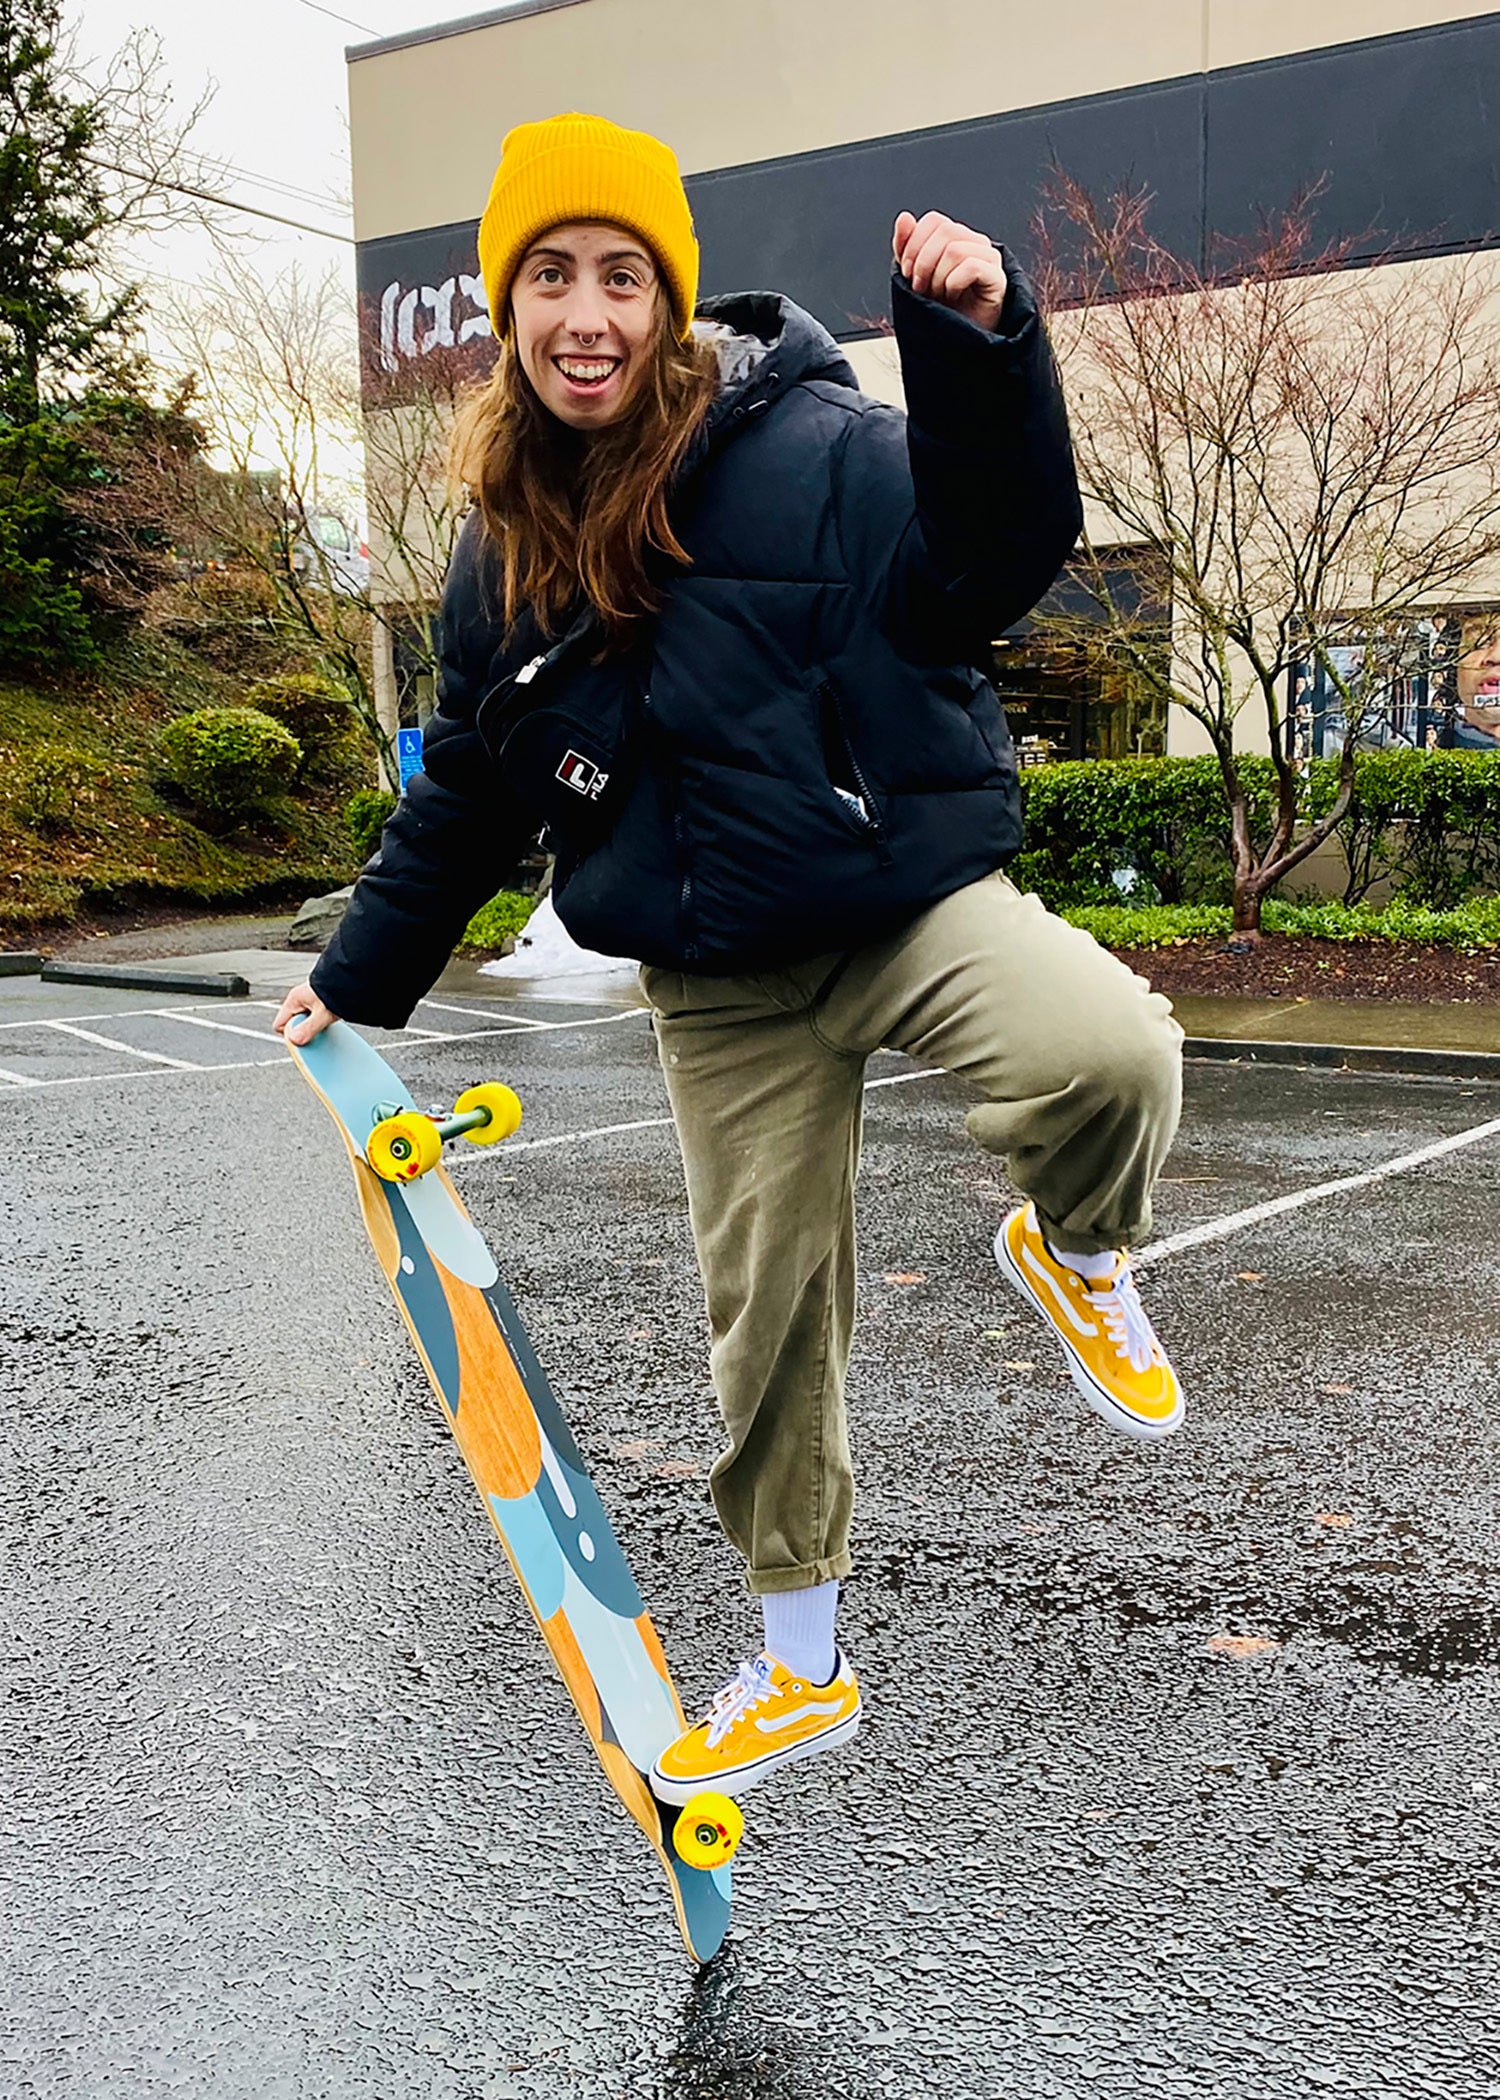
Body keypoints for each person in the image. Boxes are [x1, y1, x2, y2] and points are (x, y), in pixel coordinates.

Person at [274, 113, 1185, 1809]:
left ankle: (1078, 1248)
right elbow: (469, 791)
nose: (589, 315)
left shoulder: (818, 444)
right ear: (508, 311)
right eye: (551, 278)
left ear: (671, 299)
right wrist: (361, 967)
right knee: (766, 1329)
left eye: (623, 276)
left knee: (1115, 1053)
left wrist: (981, 345)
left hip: (897, 899)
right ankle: (798, 1667)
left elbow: (992, 555)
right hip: (717, 977)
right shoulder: (497, 556)